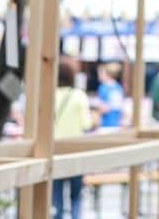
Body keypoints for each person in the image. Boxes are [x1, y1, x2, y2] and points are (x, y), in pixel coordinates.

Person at [52, 57, 92, 218]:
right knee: (76, 196)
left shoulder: (48, 95)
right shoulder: (79, 96)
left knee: (56, 199)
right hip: (76, 150)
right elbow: (86, 124)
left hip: (54, 151)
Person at [95, 61, 124, 130]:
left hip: (105, 124)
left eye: (100, 73)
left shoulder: (103, 88)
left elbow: (104, 108)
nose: (98, 75)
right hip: (116, 124)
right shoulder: (118, 87)